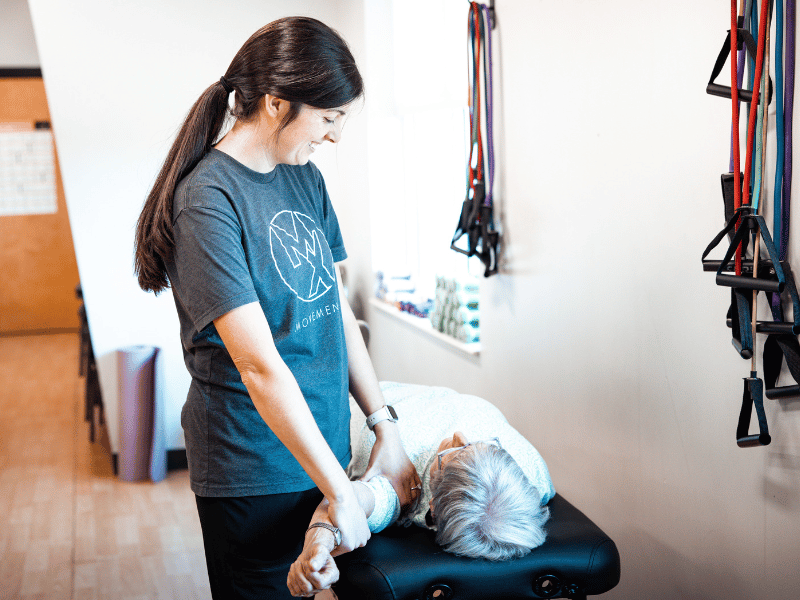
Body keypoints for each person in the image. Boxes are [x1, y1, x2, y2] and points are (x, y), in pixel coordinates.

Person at [133, 17, 419, 600]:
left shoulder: (304, 178)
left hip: (325, 451)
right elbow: (258, 365)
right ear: (275, 102)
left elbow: (335, 307)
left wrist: (380, 421)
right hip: (252, 469)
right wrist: (340, 492)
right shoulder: (207, 200)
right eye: (329, 118)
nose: (334, 136)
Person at [287, 382, 556, 597]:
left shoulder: (408, 487)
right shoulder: (533, 475)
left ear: (433, 508)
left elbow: (355, 500)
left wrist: (320, 544)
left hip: (375, 401)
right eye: (483, 445)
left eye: (455, 452)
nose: (460, 437)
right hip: (384, 395)